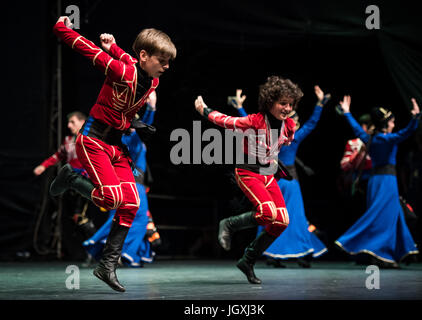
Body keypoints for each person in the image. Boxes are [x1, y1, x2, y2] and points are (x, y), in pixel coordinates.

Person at [49, 16, 176, 292]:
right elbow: (87, 49)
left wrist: (135, 123)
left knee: (130, 203)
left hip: (116, 146)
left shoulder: (151, 82)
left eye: (168, 62)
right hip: (93, 140)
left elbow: (131, 64)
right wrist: (62, 29)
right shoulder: (121, 72)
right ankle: (71, 178)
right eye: (162, 61)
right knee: (110, 197)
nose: (166, 67)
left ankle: (106, 266)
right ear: (145, 55)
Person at [195, 76, 303, 284]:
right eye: (283, 103)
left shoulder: (289, 125)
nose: (287, 108)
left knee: (282, 221)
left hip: (268, 175)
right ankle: (229, 224)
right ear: (270, 102)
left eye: (290, 104)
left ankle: (248, 260)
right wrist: (204, 110)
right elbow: (226, 121)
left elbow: (281, 143)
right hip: (248, 172)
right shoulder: (254, 121)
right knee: (267, 213)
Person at [229, 87, 329, 268]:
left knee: (274, 217)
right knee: (294, 218)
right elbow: (312, 123)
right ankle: (293, 253)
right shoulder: (293, 136)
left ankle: (276, 254)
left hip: (271, 181)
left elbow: (250, 124)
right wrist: (320, 104)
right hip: (288, 183)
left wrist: (240, 107)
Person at [335, 96, 422, 268]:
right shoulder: (387, 139)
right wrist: (415, 118)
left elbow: (355, 128)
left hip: (375, 182)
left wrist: (347, 112)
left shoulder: (369, 137)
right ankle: (379, 253)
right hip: (387, 182)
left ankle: (397, 251)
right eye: (392, 121)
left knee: (392, 216)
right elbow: (407, 132)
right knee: (384, 218)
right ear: (387, 123)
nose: (394, 123)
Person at [83, 91, 161, 267]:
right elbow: (146, 126)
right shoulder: (131, 137)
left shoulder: (118, 137)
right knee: (140, 220)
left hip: (120, 182)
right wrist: (152, 107)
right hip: (134, 184)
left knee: (120, 217)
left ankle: (114, 252)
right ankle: (125, 253)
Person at [33, 111, 96, 240]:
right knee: (74, 218)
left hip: (86, 183)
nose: (69, 125)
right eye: (68, 122)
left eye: (72, 122)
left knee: (80, 217)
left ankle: (98, 248)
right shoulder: (68, 140)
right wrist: (43, 165)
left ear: (82, 122)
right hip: (71, 184)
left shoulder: (90, 139)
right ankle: (92, 249)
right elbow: (58, 155)